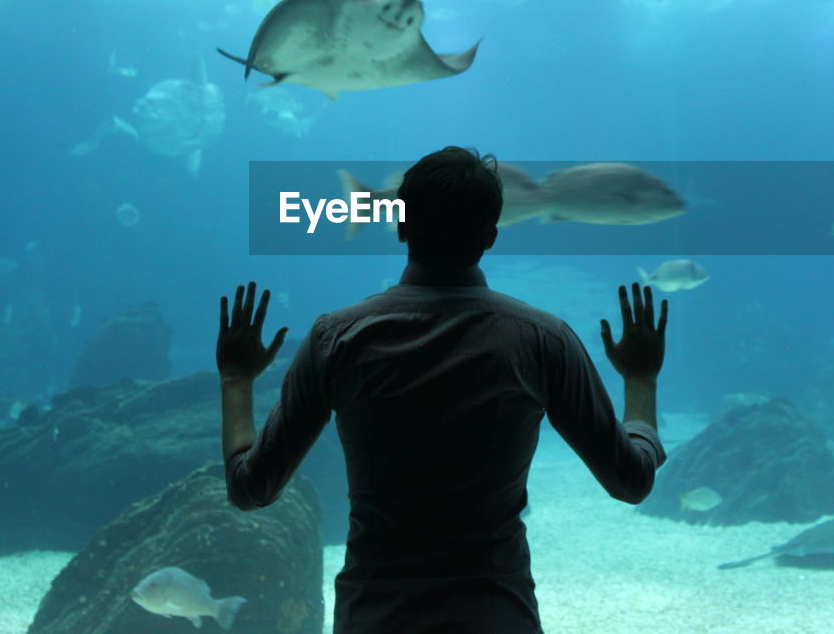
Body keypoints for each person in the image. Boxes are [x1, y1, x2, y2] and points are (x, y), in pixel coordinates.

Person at [218, 146, 669, 634]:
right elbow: (631, 480)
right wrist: (640, 381)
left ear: (400, 225)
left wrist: (236, 380)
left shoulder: (337, 337)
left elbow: (251, 488)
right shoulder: (543, 339)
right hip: (497, 616)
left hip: (376, 617)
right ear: (493, 235)